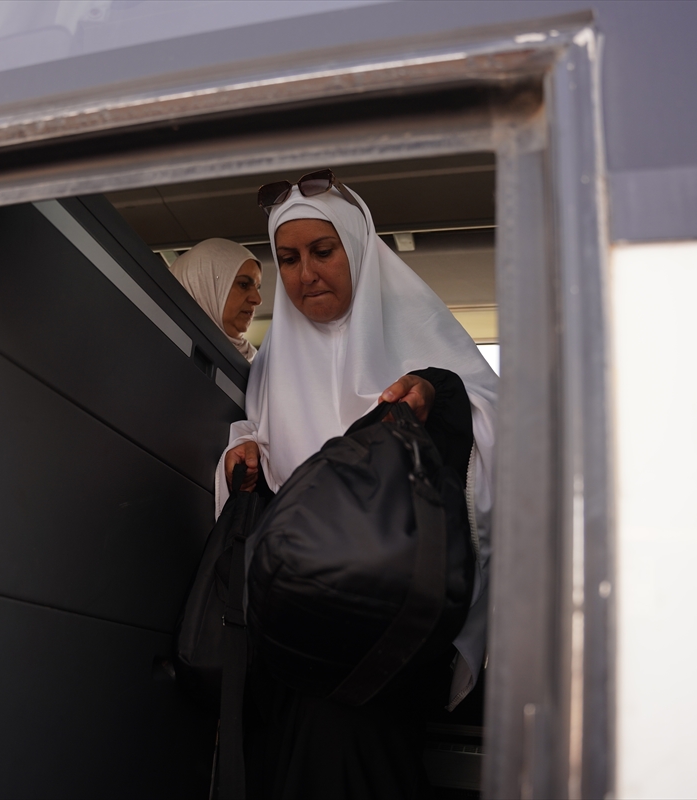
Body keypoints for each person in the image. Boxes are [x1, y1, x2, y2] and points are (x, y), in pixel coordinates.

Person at [215, 170, 497, 798]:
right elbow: (264, 438)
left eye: (323, 251)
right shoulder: (274, 360)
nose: (305, 274)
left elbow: (497, 425)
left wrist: (435, 396)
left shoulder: (419, 336)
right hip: (295, 621)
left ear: (359, 250)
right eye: (289, 259)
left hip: (386, 619)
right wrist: (245, 451)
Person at [169, 238, 262, 361]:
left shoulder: (257, 366)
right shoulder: (162, 351)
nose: (257, 299)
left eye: (258, 288)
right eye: (243, 285)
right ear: (203, 286)